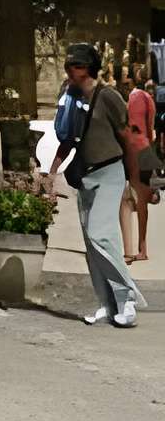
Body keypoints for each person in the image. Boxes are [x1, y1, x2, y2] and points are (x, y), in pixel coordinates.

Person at [60, 44, 145, 327]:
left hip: (109, 171)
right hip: (84, 176)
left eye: (77, 66)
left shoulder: (108, 96)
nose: (71, 71)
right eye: (69, 66)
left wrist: (134, 179)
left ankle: (127, 298)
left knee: (101, 235)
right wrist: (50, 172)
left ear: (90, 68)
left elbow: (128, 138)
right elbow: (68, 138)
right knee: (92, 244)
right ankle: (107, 305)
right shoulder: (70, 96)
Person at [126, 65, 159, 264]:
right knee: (141, 201)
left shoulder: (135, 97)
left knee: (132, 199)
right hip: (146, 149)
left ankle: (135, 248)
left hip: (136, 150)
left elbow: (134, 127)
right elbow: (149, 129)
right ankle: (142, 247)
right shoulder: (149, 98)